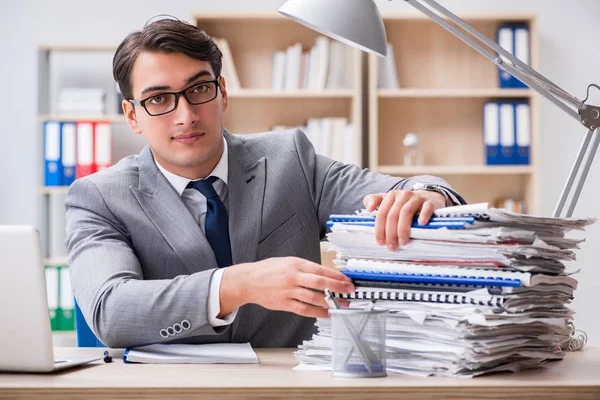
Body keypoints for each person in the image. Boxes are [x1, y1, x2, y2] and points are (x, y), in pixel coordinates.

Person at [65, 18, 465, 349]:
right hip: (172, 391)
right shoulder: (100, 197)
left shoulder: (289, 159)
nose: (185, 115)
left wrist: (427, 194)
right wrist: (238, 284)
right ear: (132, 116)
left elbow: (407, 187)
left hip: (293, 385)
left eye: (199, 89)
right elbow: (110, 311)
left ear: (221, 93)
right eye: (158, 99)